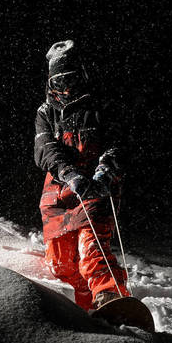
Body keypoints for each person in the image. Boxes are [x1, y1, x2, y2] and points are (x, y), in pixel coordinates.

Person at [34, 39, 130, 312]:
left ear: (82, 75)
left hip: (94, 187)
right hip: (59, 190)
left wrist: (104, 171)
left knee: (92, 248)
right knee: (60, 262)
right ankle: (84, 309)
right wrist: (67, 172)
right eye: (59, 80)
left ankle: (111, 299)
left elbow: (117, 143)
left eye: (71, 78)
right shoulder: (46, 112)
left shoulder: (101, 107)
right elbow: (45, 147)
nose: (65, 86)